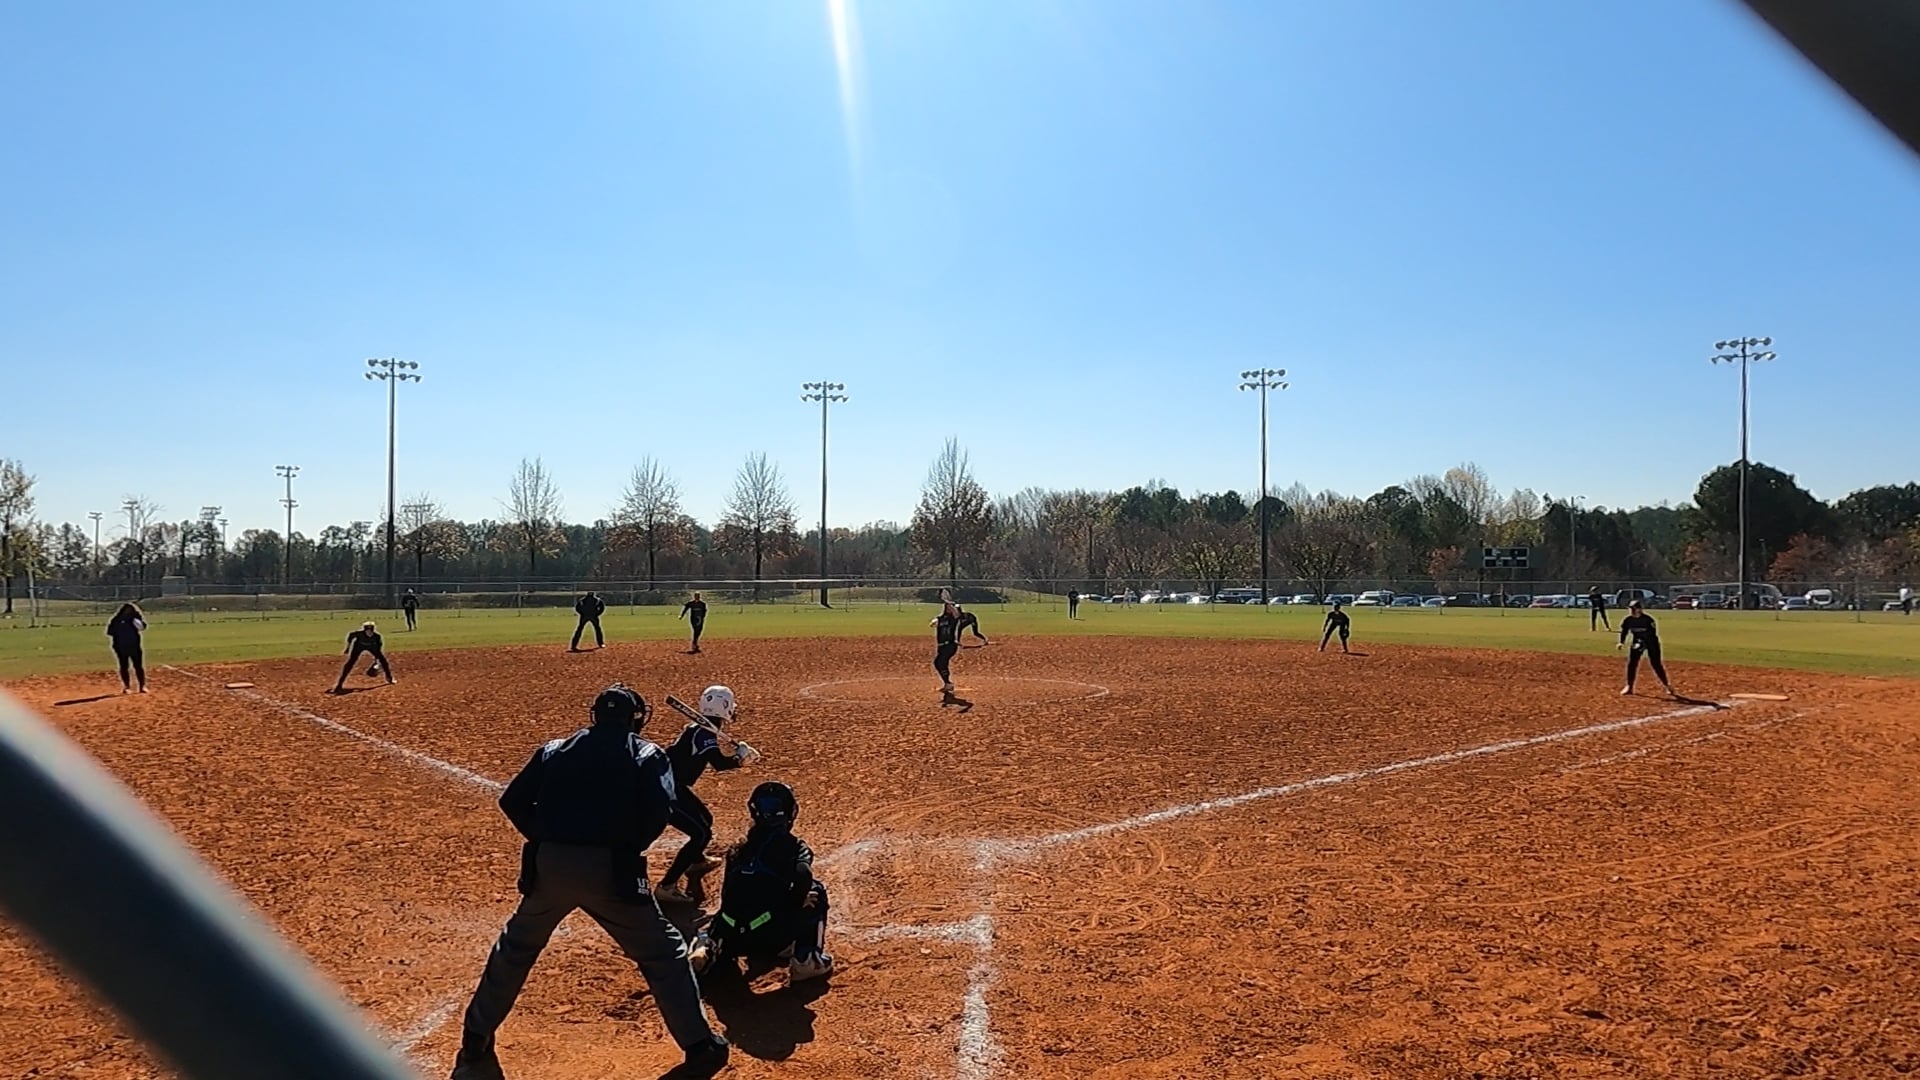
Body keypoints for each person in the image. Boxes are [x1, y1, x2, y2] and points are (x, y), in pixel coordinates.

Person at [450, 685, 729, 1080]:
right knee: (663, 953)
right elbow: (660, 811)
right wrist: (627, 845)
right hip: (611, 869)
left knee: (515, 948)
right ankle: (700, 1047)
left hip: (548, 866)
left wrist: (545, 837)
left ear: (595, 715)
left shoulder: (553, 749)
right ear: (635, 718)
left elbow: (511, 800)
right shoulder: (647, 754)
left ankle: (475, 1039)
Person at [689, 781, 832, 985]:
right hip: (770, 937)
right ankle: (807, 959)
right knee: (815, 889)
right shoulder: (794, 846)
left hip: (732, 936)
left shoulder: (738, 848)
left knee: (734, 906)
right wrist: (796, 901)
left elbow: (728, 894)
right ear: (791, 812)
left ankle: (709, 945)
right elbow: (803, 874)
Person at [656, 686, 760, 905]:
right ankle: (667, 886)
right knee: (700, 834)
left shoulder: (702, 730)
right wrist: (740, 760)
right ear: (725, 707)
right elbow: (719, 763)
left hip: (674, 786)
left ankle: (696, 860)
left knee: (705, 819)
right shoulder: (704, 733)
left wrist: (738, 756)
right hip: (666, 789)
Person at [1616, 600, 1675, 696]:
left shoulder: (1648, 620)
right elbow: (1624, 631)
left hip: (1651, 643)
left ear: (1639, 609)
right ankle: (1629, 686)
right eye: (1630, 609)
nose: (1631, 611)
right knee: (1632, 663)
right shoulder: (1628, 620)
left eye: (1634, 609)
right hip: (1637, 642)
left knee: (1656, 664)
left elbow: (1651, 634)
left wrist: (1643, 643)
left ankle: (1667, 685)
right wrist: (1621, 642)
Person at [332, 621, 395, 693]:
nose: (369, 630)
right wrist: (348, 647)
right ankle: (339, 684)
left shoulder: (377, 636)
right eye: (367, 629)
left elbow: (378, 649)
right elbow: (350, 636)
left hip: (372, 647)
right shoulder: (359, 634)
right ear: (364, 629)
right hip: (358, 647)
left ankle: (389, 678)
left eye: (371, 629)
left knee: (383, 661)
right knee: (350, 663)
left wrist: (376, 662)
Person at [106, 603, 148, 694]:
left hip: (134, 646)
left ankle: (142, 686)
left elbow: (143, 627)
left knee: (138, 666)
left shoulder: (135, 619)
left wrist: (137, 622)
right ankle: (126, 686)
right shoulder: (116, 620)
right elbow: (110, 631)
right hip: (120, 646)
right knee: (124, 666)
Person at [931, 595, 961, 694]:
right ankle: (947, 683)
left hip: (950, 645)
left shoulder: (953, 619)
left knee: (939, 662)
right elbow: (933, 624)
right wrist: (935, 621)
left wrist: (949, 604)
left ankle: (948, 683)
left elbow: (956, 614)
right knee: (941, 664)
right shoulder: (940, 618)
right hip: (941, 646)